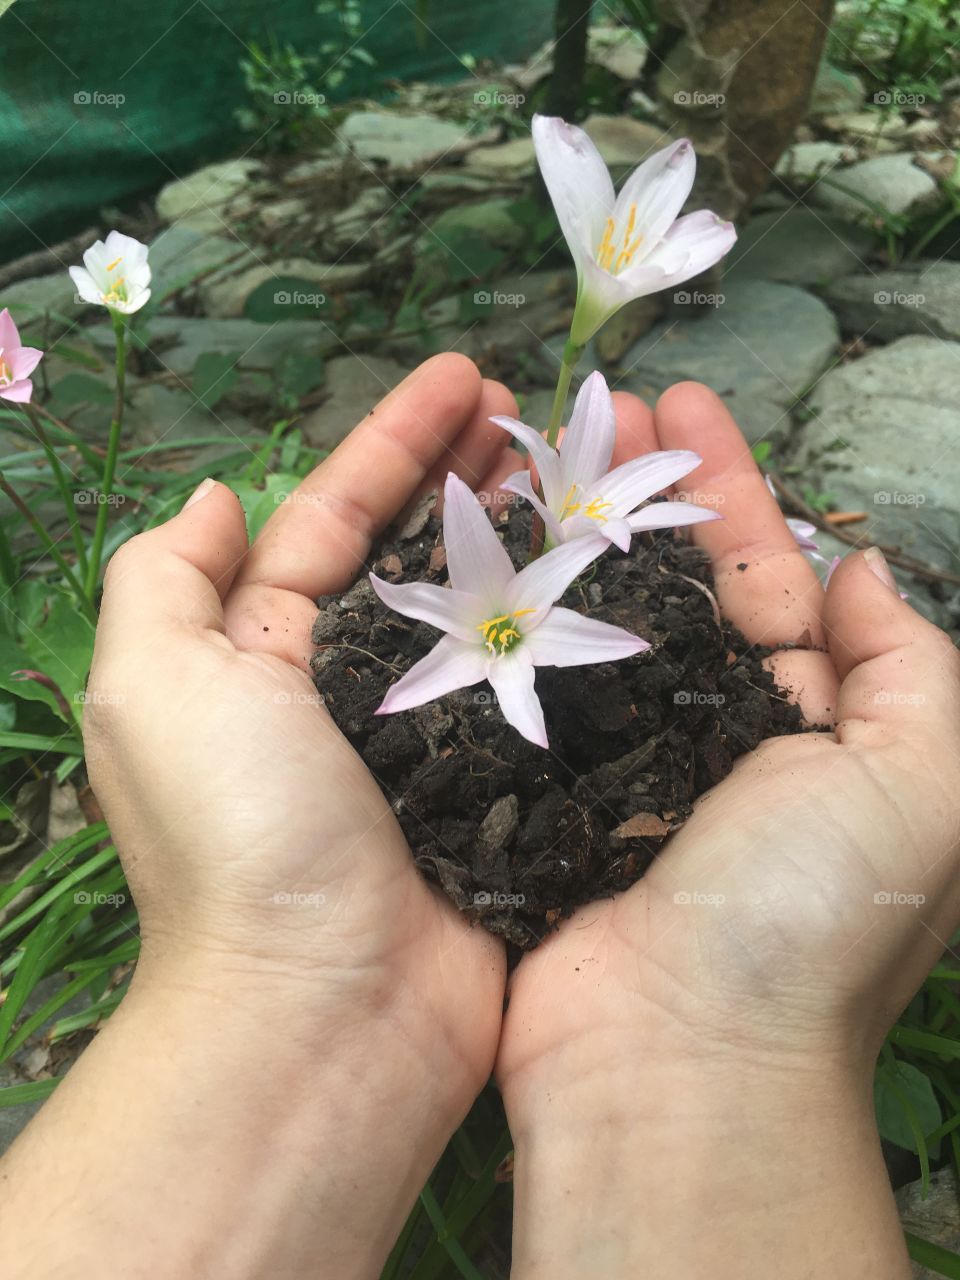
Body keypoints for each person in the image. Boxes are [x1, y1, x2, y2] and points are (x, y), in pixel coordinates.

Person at [0, 354, 956, 1280]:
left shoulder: (551, 593)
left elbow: (536, 645)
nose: (502, 634)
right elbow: (441, 627)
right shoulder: (473, 606)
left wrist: (274, 982)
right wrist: (717, 1051)